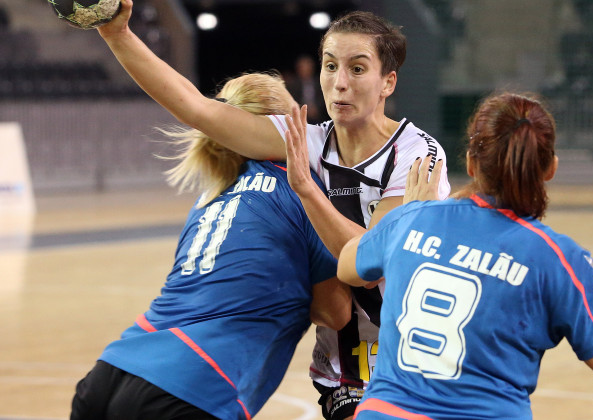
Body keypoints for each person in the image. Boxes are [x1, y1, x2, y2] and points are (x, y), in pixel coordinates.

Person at [96, 3, 451, 419]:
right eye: (330, 66)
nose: (339, 84)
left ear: (387, 81)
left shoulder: (417, 155)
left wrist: (306, 191)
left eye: (357, 69)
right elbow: (197, 108)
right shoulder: (307, 141)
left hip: (407, 365)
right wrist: (116, 35)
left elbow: (368, 265)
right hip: (344, 374)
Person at [336, 92, 593, 419]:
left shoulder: (411, 219)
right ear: (550, 169)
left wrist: (405, 219)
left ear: (472, 164)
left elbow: (347, 266)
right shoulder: (557, 260)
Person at [70, 72, 352, 420]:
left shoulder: (209, 196)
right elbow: (334, 313)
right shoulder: (302, 192)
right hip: (193, 386)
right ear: (278, 126)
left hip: (111, 372)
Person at [286, 54, 327, 124]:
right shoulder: (293, 84)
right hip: (300, 114)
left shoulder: (319, 82)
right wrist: (305, 109)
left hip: (317, 115)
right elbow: (292, 100)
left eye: (308, 66)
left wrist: (316, 108)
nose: (305, 69)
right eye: (303, 67)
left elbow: (323, 97)